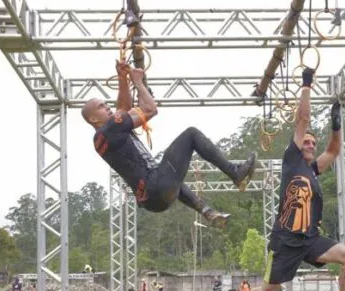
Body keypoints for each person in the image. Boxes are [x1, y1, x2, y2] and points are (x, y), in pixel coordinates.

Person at [227, 67, 345, 291]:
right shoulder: (291, 161)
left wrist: (336, 124)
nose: (311, 145)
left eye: (314, 142)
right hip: (285, 241)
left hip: (310, 239)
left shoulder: (313, 171)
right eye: (307, 142)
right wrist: (307, 84)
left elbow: (334, 150)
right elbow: (302, 118)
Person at [81, 60, 257, 228]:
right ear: (93, 119)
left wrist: (122, 78)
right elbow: (150, 110)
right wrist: (138, 82)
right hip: (156, 186)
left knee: (172, 174)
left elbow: (122, 107)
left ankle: (207, 211)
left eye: (105, 104)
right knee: (191, 134)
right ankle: (235, 172)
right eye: (101, 106)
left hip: (151, 200)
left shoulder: (103, 138)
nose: (107, 107)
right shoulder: (110, 129)